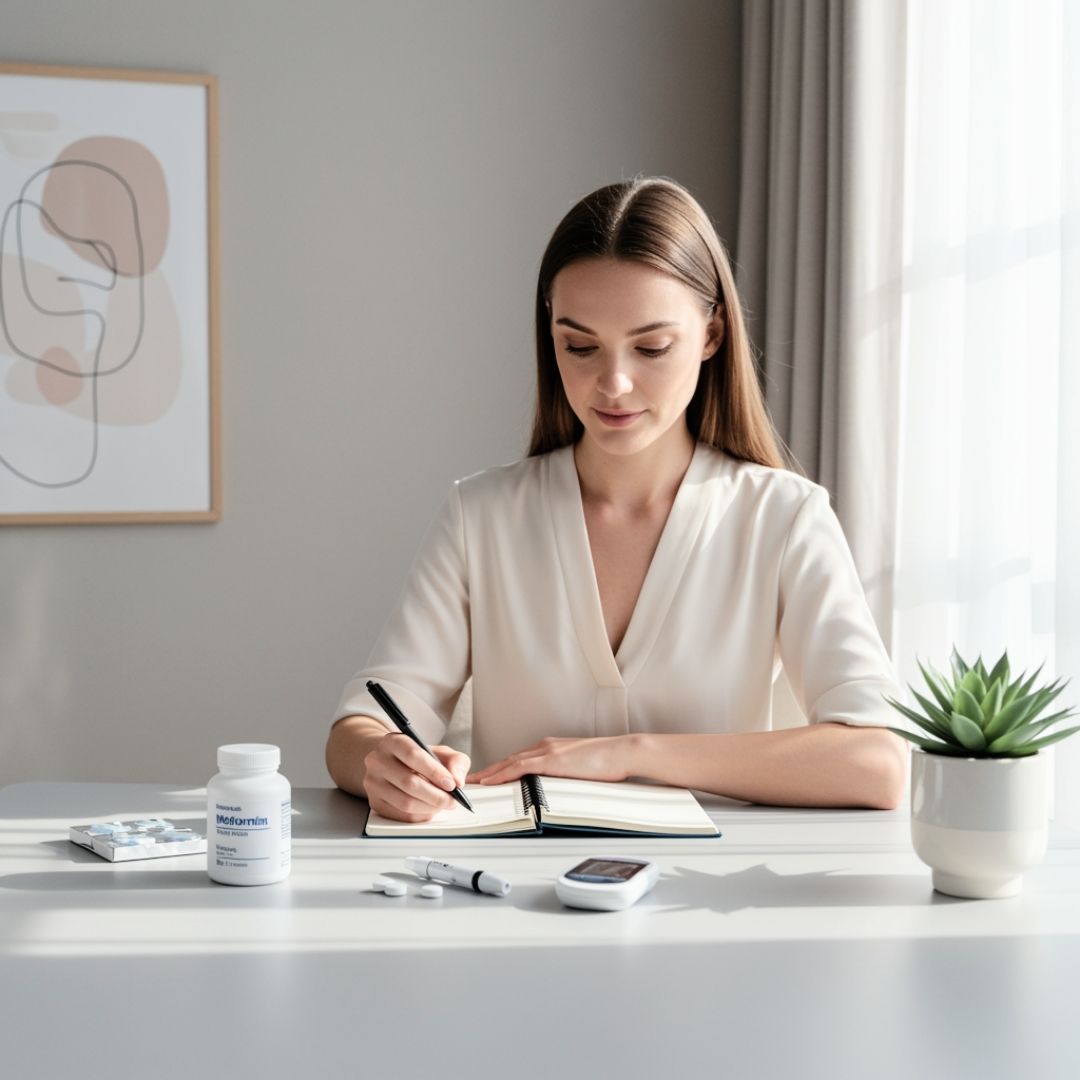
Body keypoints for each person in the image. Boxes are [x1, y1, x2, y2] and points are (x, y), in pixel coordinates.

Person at [326, 175, 908, 822]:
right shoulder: (482, 517)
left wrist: (633, 753)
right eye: (579, 346)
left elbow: (878, 762)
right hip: (510, 881)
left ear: (712, 335)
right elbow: (359, 727)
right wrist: (383, 763)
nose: (614, 383)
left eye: (651, 347)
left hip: (709, 882)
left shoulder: (783, 518)